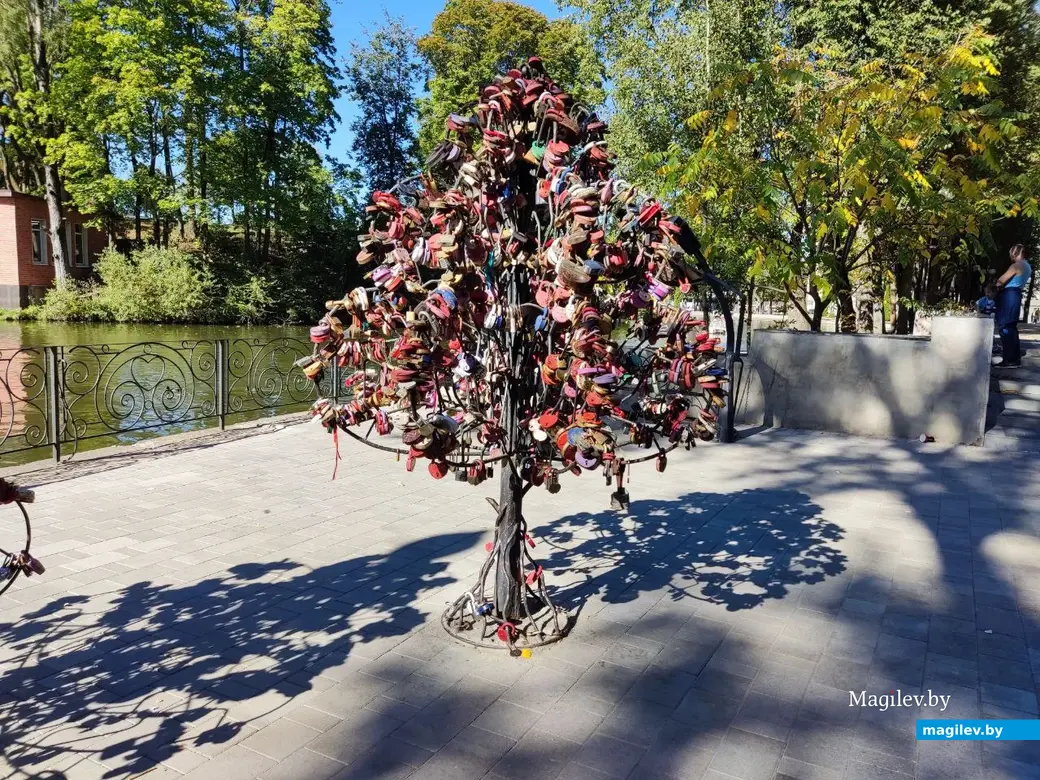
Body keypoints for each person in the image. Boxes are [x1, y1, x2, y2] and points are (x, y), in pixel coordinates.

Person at [994, 244, 1032, 368]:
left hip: (1009, 295)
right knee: (1011, 327)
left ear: (1015, 253)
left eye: (1011, 254)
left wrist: (994, 286)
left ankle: (1009, 360)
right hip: (1016, 294)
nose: (1010, 256)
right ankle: (1014, 359)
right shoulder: (1027, 266)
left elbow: (1001, 281)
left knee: (1005, 326)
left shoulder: (1016, 265)